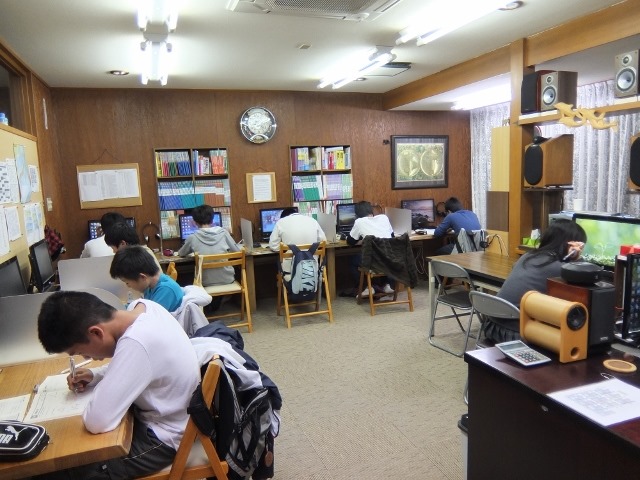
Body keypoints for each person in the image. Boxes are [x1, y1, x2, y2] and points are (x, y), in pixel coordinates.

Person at [35, 290, 200, 479]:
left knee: (65, 470)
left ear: (96, 332)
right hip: (167, 417)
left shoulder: (138, 341)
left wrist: (102, 390)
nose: (87, 358)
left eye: (80, 352)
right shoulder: (145, 308)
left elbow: (98, 422)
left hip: (164, 438)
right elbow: (140, 362)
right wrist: (96, 374)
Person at [483, 219, 588, 343]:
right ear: (569, 245)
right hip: (516, 333)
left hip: (491, 325)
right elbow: (585, 274)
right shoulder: (557, 267)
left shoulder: (528, 256)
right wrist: (576, 258)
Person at [109, 245, 183, 312]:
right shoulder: (150, 286)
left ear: (142, 277)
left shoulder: (166, 290)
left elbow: (148, 318)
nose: (128, 286)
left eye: (127, 282)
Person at [345, 201, 394, 296]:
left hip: (372, 263)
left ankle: (367, 287)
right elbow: (392, 237)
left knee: (352, 260)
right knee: (383, 256)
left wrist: (362, 241)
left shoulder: (359, 222)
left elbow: (350, 242)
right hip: (390, 260)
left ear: (357, 215)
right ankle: (386, 285)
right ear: (371, 211)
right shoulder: (384, 218)